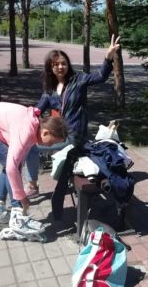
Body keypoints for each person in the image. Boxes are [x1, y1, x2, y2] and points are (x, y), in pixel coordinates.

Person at [25, 35, 121, 221]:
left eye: (63, 63)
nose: (60, 67)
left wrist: (108, 57)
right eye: (56, 64)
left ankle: (32, 184)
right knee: (29, 147)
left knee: (31, 149)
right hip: (59, 135)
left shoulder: (79, 80)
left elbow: (100, 76)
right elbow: (36, 111)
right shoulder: (50, 90)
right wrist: (21, 119)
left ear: (68, 64)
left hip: (76, 136)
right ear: (50, 68)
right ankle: (33, 183)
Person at [0, 102, 67, 240]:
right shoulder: (25, 132)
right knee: (12, 165)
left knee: (12, 163)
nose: (50, 146)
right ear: (45, 132)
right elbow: (12, 167)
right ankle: (17, 216)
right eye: (52, 142)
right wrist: (21, 197)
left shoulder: (34, 127)